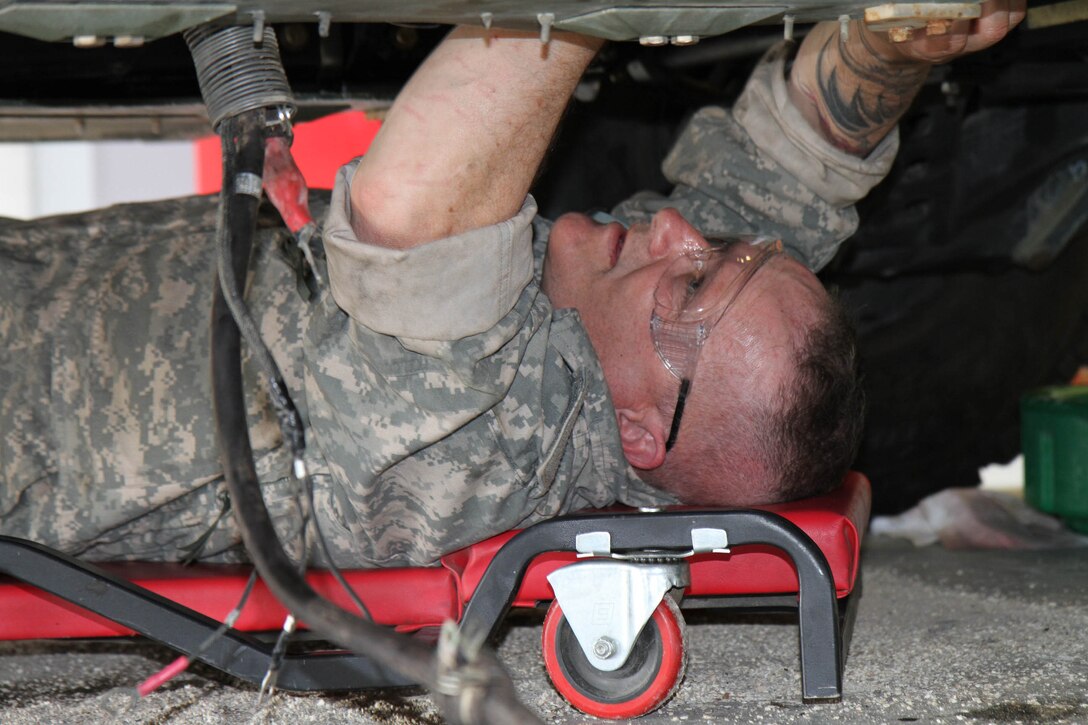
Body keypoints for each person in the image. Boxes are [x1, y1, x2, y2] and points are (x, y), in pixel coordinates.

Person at [0, 6, 1021, 567]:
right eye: (710, 243)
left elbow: (406, 209)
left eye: (691, 276)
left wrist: (590, 12)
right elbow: (788, 181)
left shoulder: (484, 435)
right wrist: (879, 47)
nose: (669, 230)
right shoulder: (621, 361)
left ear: (639, 435)